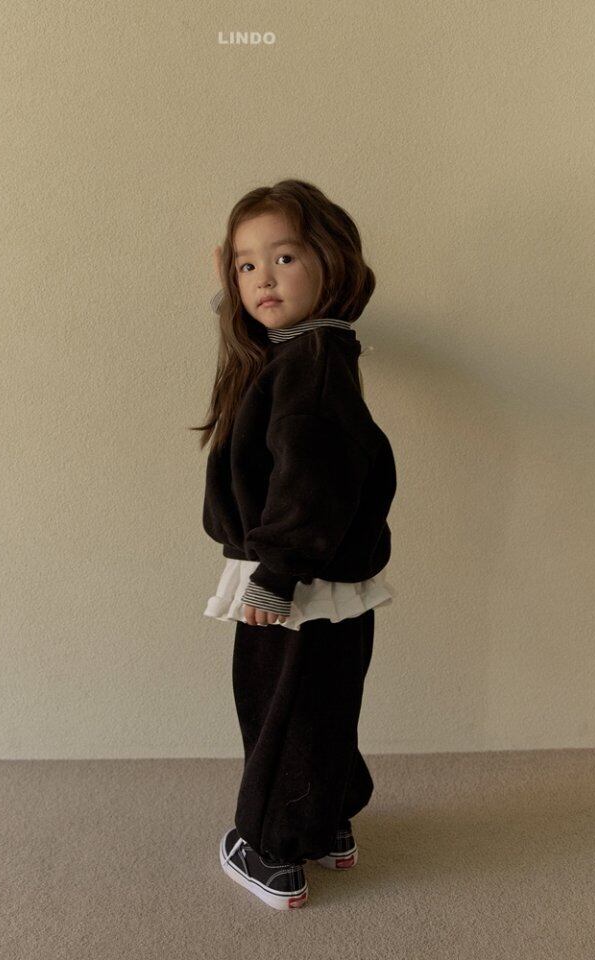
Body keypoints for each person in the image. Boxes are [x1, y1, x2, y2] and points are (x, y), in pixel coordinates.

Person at [190, 179, 398, 911]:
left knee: (277, 710)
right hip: (325, 578)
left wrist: (275, 573)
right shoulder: (317, 354)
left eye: (283, 258)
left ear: (331, 263)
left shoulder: (306, 367)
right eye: (245, 265)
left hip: (291, 580)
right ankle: (327, 820)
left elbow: (310, 477)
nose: (263, 279)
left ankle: (272, 849)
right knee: (323, 704)